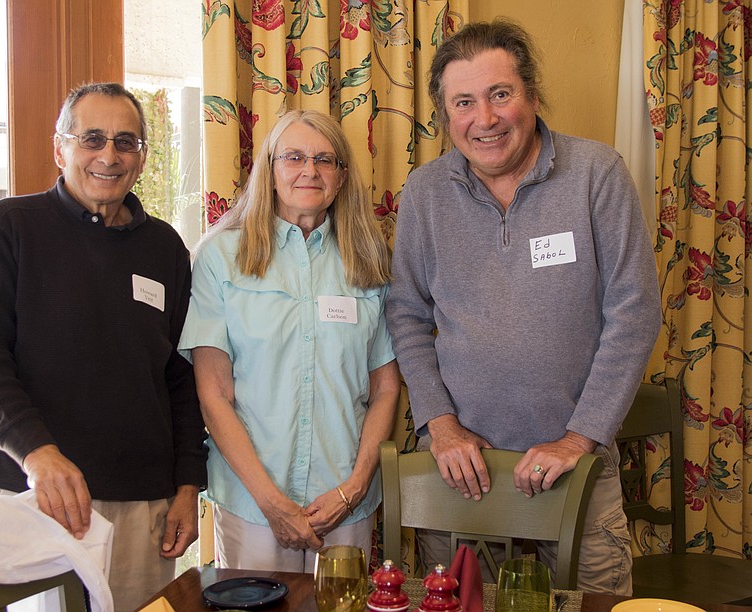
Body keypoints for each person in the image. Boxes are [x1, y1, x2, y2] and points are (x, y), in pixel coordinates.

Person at [385, 19, 661, 594]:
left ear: (532, 97)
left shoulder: (596, 174)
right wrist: (441, 427)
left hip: (576, 471)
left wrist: (578, 439)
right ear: (445, 115)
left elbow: (633, 314)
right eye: (464, 102)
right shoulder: (425, 193)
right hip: (463, 476)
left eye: (500, 95)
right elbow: (406, 315)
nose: (483, 119)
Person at [0, 82, 208, 610]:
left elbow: (181, 378)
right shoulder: (10, 226)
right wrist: (36, 452)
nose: (108, 155)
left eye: (126, 141)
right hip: (29, 494)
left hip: (142, 506)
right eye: (91, 138)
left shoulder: (164, 247)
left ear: (141, 157)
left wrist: (188, 484)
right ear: (60, 148)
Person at [180, 109, 400, 572]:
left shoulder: (368, 259)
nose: (310, 170)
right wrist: (271, 502)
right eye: (294, 156)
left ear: (341, 177)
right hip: (252, 504)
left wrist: (356, 485)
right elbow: (213, 393)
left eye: (325, 159)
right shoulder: (221, 257)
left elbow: (384, 389)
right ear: (270, 169)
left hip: (344, 503)